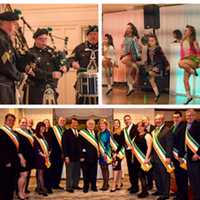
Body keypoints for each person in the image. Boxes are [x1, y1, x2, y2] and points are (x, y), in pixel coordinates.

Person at [0, 10, 35, 104]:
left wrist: (27, 59)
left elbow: (16, 60)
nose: (17, 27)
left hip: (7, 84)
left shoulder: (7, 40)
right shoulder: (1, 40)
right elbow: (5, 63)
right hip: (3, 85)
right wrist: (19, 76)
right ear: (6, 24)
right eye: (15, 24)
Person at [26, 28, 67, 104]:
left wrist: (64, 67)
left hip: (51, 88)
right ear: (35, 39)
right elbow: (34, 71)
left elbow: (63, 63)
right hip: (36, 89)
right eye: (40, 39)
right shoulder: (30, 53)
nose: (43, 41)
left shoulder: (52, 51)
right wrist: (51, 75)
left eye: (45, 39)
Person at [0, 113, 25, 200]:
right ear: (5, 121)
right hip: (6, 162)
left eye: (12, 120)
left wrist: (21, 157)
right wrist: (6, 161)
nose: (11, 121)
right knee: (5, 183)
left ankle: (9, 196)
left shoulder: (13, 132)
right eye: (9, 120)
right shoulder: (1, 131)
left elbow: (17, 148)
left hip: (14, 161)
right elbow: (1, 149)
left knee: (11, 182)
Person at [71, 25, 98, 104]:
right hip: (82, 83)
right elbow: (70, 59)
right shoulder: (80, 48)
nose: (93, 36)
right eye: (91, 34)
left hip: (98, 84)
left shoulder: (102, 48)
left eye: (96, 34)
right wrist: (73, 63)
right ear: (87, 36)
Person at [152, 114, 174, 200]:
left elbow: (169, 144)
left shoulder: (167, 130)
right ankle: (160, 190)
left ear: (163, 120)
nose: (157, 121)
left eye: (159, 119)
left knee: (165, 176)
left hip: (163, 158)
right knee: (157, 176)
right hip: (155, 158)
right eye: (156, 120)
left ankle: (165, 194)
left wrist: (168, 157)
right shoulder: (155, 131)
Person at [178, 25, 200, 104]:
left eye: (186, 30)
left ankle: (193, 71)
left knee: (180, 63)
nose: (184, 31)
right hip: (186, 62)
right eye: (184, 30)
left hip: (193, 60)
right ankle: (189, 96)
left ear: (191, 32)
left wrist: (198, 61)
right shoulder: (182, 41)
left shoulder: (193, 41)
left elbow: (198, 53)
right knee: (185, 80)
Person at [146, 34, 170, 102]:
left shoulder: (158, 48)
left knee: (150, 73)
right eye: (149, 41)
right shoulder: (148, 49)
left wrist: (167, 65)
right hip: (153, 65)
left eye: (152, 41)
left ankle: (161, 74)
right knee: (151, 79)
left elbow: (163, 57)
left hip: (159, 65)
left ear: (156, 41)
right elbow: (148, 59)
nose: (150, 42)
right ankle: (157, 94)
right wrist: (148, 66)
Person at [15, 118, 35, 199]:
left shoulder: (28, 132)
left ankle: (23, 192)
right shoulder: (16, 132)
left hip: (28, 157)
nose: (24, 124)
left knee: (26, 176)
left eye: (25, 122)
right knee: (23, 175)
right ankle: (19, 193)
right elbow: (17, 146)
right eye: (22, 122)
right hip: (21, 157)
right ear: (19, 123)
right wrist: (21, 157)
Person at [45, 116, 66, 191]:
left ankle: (56, 184)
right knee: (52, 170)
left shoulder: (65, 130)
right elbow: (49, 141)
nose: (62, 121)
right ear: (58, 121)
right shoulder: (52, 129)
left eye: (64, 120)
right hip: (54, 153)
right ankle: (49, 186)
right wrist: (49, 151)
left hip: (62, 154)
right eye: (61, 120)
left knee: (59, 169)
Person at [132, 122, 152, 198]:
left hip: (144, 158)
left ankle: (145, 191)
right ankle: (144, 190)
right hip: (137, 159)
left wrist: (147, 158)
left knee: (142, 175)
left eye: (141, 126)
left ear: (144, 127)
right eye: (138, 127)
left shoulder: (147, 135)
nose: (139, 128)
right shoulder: (136, 136)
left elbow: (149, 148)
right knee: (140, 175)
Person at [171, 111, 188, 200]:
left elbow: (182, 142)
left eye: (177, 117)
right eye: (174, 117)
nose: (176, 119)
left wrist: (180, 156)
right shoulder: (173, 126)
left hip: (180, 156)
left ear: (181, 118)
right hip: (175, 156)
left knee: (182, 177)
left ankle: (183, 196)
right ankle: (179, 194)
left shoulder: (183, 126)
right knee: (177, 177)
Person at [120, 22, 141, 96]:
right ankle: (131, 88)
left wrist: (138, 56)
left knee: (123, 60)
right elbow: (123, 47)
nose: (127, 29)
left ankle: (136, 67)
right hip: (126, 54)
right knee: (127, 73)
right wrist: (122, 47)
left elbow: (137, 48)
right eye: (127, 27)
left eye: (129, 27)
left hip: (132, 55)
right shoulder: (126, 37)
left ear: (132, 30)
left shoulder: (134, 38)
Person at [62, 118, 81, 193]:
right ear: (71, 124)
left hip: (77, 157)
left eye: (76, 123)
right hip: (69, 157)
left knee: (77, 172)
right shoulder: (66, 132)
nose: (75, 124)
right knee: (69, 173)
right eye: (73, 123)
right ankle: (69, 187)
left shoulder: (79, 132)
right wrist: (66, 156)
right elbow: (64, 145)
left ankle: (75, 185)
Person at [79, 119, 98, 193]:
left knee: (94, 172)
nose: (91, 125)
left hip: (94, 156)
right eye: (90, 124)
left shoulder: (96, 133)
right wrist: (81, 156)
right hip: (85, 157)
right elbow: (79, 145)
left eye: (93, 124)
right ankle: (86, 187)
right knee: (85, 173)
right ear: (87, 125)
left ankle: (93, 186)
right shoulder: (82, 133)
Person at [185, 109, 200, 200]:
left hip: (196, 158)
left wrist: (198, 153)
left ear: (195, 116)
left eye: (191, 115)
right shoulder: (185, 126)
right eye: (187, 116)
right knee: (192, 180)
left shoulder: (198, 125)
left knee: (198, 180)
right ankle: (195, 196)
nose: (189, 117)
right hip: (188, 158)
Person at [121, 114, 138, 193]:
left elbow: (137, 139)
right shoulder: (124, 130)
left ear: (130, 119)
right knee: (130, 170)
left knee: (134, 170)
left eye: (128, 119)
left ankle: (136, 187)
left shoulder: (136, 127)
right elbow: (122, 142)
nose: (127, 121)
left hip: (134, 152)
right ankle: (132, 185)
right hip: (127, 152)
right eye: (125, 120)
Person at [33, 122, 50, 196]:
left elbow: (49, 146)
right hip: (39, 158)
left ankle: (39, 188)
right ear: (38, 128)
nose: (43, 128)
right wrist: (42, 154)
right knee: (40, 173)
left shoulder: (45, 136)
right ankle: (43, 189)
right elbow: (36, 148)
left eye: (44, 127)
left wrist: (49, 152)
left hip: (46, 157)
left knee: (43, 173)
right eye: (41, 127)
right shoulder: (35, 136)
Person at [110, 119, 124, 192]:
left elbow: (121, 143)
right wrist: (112, 153)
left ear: (119, 124)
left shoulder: (121, 132)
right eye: (114, 123)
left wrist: (116, 153)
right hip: (113, 152)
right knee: (118, 168)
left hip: (118, 152)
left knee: (115, 168)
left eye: (117, 123)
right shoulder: (112, 133)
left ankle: (114, 184)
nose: (116, 124)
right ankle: (118, 183)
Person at [98, 119, 111, 191]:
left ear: (106, 125)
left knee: (105, 168)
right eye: (100, 124)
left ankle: (105, 184)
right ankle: (106, 183)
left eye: (103, 124)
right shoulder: (99, 133)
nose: (102, 125)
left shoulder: (108, 132)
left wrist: (105, 153)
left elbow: (108, 144)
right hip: (100, 154)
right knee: (103, 168)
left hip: (106, 153)